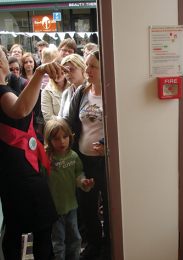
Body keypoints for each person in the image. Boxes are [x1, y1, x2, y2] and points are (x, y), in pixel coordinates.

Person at [0, 47, 68, 259]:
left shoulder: (9, 83)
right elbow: (21, 109)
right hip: (19, 169)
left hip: (12, 166)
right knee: (42, 224)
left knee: (15, 226)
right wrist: (39, 74)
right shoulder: (2, 92)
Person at [63, 50, 111, 260]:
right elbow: (67, 120)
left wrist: (109, 145)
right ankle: (94, 244)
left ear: (105, 70)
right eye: (87, 65)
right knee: (87, 206)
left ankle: (109, 245)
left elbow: (123, 128)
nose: (87, 70)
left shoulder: (113, 94)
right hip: (83, 161)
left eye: (93, 66)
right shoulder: (82, 93)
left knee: (109, 207)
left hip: (106, 163)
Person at [42, 118, 95, 260]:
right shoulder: (47, 159)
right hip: (54, 209)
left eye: (65, 137)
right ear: (49, 140)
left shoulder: (73, 156)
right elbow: (41, 181)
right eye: (56, 138)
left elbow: (78, 174)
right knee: (58, 241)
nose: (62, 142)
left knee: (75, 238)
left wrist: (84, 183)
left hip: (71, 206)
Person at [41, 57, 70, 122]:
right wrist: (66, 121)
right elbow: (48, 117)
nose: (57, 74)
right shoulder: (47, 91)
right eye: (54, 71)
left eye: (59, 71)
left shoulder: (73, 86)